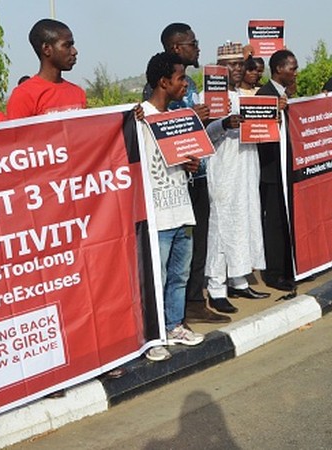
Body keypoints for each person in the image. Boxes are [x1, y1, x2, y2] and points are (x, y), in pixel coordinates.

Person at [144, 23, 216, 320]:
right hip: (162, 207)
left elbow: (179, 150)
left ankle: (180, 318)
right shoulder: (145, 111)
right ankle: (160, 326)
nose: (197, 47)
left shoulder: (186, 95)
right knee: (161, 273)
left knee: (184, 267)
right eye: (192, 42)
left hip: (187, 190)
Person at [141, 52, 205, 361]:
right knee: (158, 277)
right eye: (181, 78)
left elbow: (184, 156)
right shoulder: (138, 117)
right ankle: (153, 337)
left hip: (182, 208)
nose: (185, 83)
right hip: (157, 215)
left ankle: (174, 325)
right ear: (164, 82)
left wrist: (189, 165)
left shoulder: (180, 117)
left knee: (180, 275)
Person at [204, 42, 269, 315]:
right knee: (221, 227)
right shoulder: (207, 96)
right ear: (220, 69)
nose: (238, 70)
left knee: (245, 221)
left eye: (241, 64)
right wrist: (222, 125)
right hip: (223, 171)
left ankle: (239, 279)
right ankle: (217, 287)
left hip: (246, 166)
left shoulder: (246, 96)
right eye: (232, 65)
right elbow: (202, 133)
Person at [257, 49, 299, 292]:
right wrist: (276, 114)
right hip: (271, 172)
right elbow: (260, 135)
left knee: (286, 222)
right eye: (292, 68)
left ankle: (288, 267)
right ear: (279, 69)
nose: (295, 72)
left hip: (286, 170)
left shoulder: (286, 95)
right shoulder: (264, 96)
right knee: (274, 224)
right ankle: (274, 273)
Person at [6, 19, 87, 119]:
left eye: (72, 45)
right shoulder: (23, 96)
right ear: (47, 49)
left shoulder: (78, 93)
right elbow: (17, 134)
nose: (74, 51)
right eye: (67, 45)